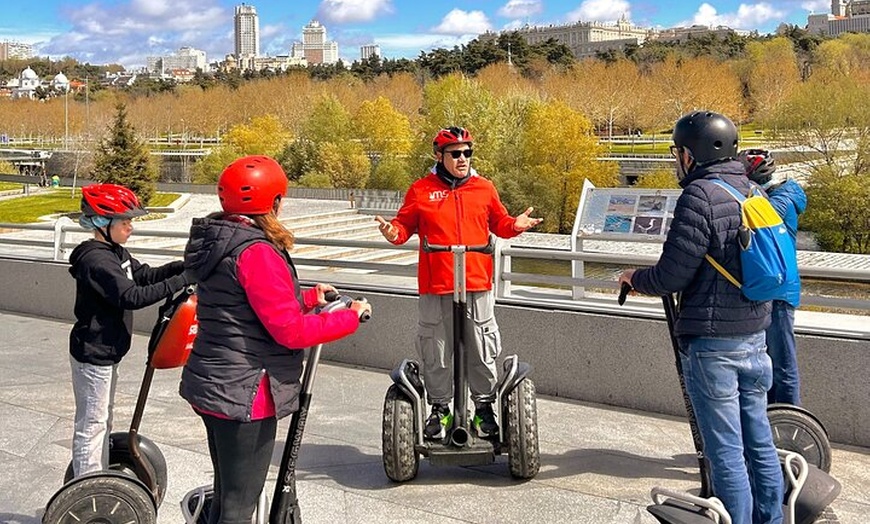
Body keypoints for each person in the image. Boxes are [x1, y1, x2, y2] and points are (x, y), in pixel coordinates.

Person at [180, 155, 371, 524]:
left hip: (214, 383)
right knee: (239, 507)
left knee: (225, 496)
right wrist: (350, 317)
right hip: (246, 391)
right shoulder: (258, 253)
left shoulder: (222, 240)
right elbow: (290, 331)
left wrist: (310, 298)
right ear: (275, 202)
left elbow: (244, 304)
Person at [617, 112, 783, 524]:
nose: (677, 161)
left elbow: (672, 274)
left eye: (678, 152)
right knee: (758, 439)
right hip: (755, 336)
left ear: (690, 155)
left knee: (725, 448)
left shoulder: (699, 196)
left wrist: (634, 278)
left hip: (714, 344)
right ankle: (773, 519)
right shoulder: (750, 189)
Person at [374, 126, 542, 440]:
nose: (462, 158)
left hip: (476, 282)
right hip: (436, 285)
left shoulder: (484, 188)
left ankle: (483, 409)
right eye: (455, 153)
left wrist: (515, 226)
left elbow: (500, 224)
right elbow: (403, 226)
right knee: (436, 350)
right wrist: (392, 233)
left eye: (467, 152)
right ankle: (441, 409)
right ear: (439, 156)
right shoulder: (421, 190)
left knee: (481, 348)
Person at [68, 183, 189, 477]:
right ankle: (86, 490)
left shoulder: (115, 252)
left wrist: (180, 268)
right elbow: (131, 296)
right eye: (125, 221)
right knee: (92, 425)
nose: (131, 227)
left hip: (107, 351)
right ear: (102, 222)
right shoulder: (96, 260)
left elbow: (143, 276)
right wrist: (182, 280)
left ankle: (98, 477)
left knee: (101, 421)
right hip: (93, 353)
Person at [738, 149, 807, 406]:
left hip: (778, 289)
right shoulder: (776, 196)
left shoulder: (778, 202)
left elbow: (749, 219)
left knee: (783, 363)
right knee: (769, 362)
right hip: (770, 285)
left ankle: (790, 423)